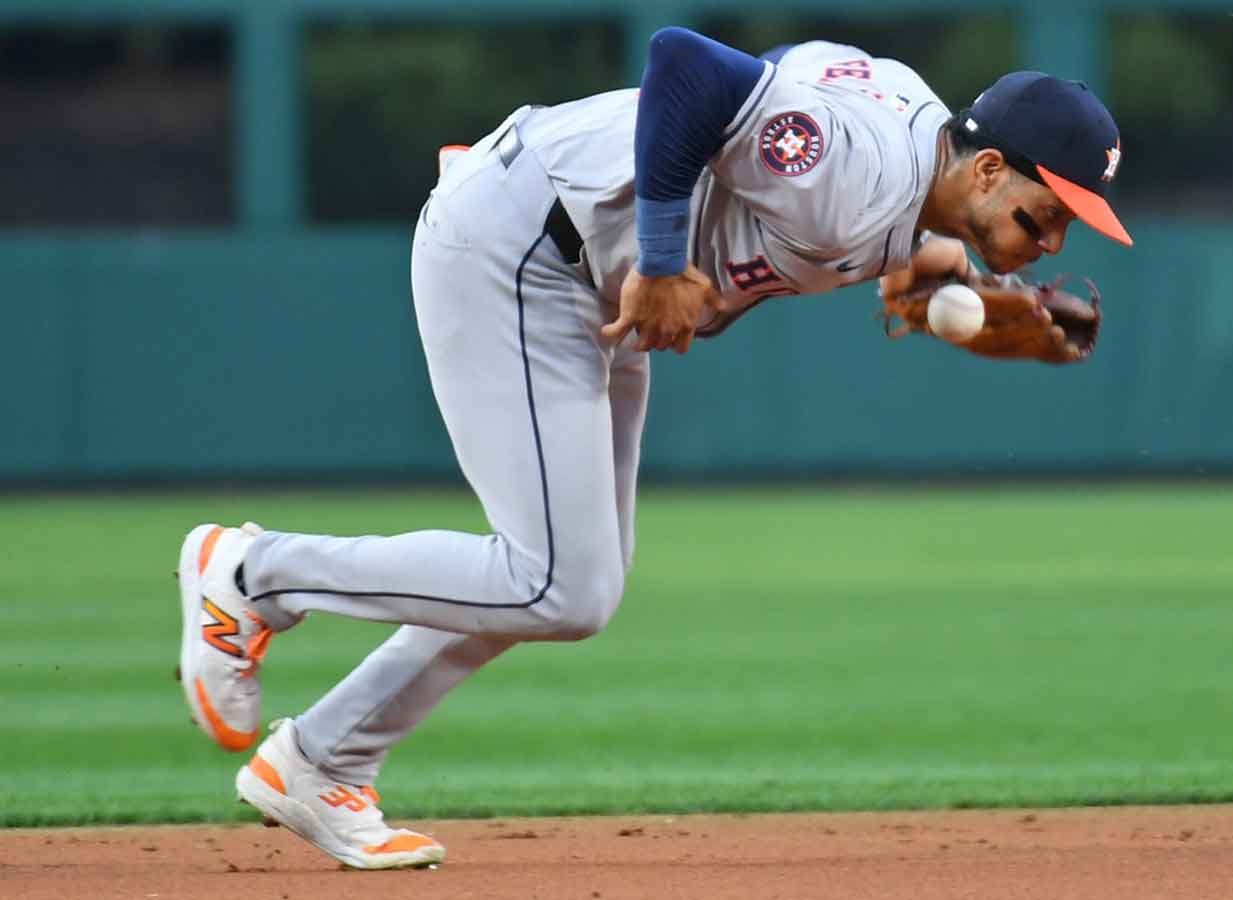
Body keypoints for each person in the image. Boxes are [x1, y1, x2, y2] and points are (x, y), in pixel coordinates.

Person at [173, 27, 1133, 870]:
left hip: (586, 271)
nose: (1051, 240)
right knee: (557, 582)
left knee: (567, 577)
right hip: (521, 248)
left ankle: (324, 758)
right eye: (1049, 210)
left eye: (1071, 224)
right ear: (991, 168)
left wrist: (923, 273)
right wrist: (667, 256)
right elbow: (685, 64)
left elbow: (783, 90)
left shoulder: (914, 160)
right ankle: (253, 575)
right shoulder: (858, 162)